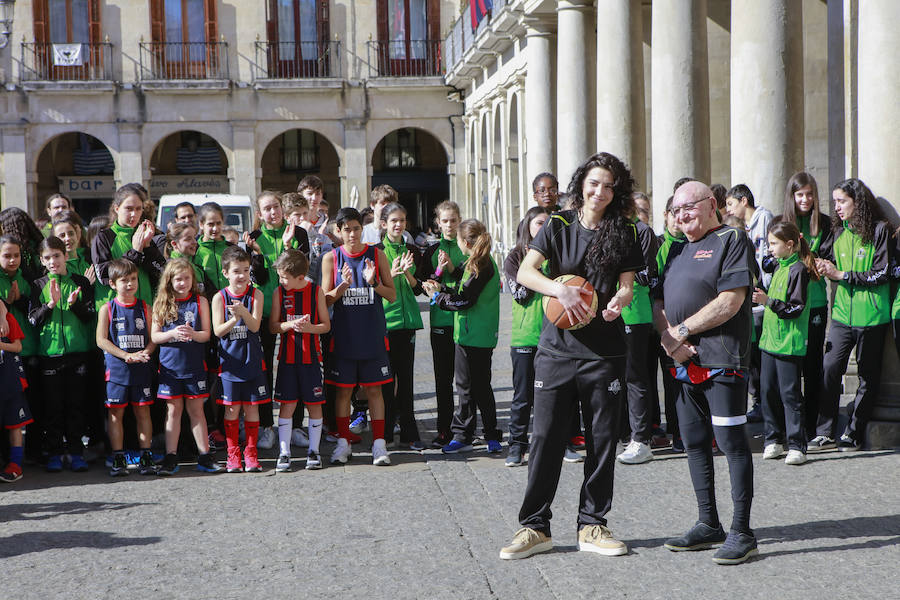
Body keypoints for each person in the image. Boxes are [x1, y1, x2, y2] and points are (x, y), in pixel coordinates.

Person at [499, 152, 643, 560]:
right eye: (594, 182)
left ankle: (592, 525)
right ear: (581, 183)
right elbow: (526, 272)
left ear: (617, 191)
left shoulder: (624, 230)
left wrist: (619, 299)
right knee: (544, 438)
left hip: (604, 351)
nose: (600, 191)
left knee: (602, 440)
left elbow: (628, 286)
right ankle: (534, 527)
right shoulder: (558, 224)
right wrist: (558, 290)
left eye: (609, 185)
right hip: (555, 351)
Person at [656, 181, 758, 565]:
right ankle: (708, 523)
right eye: (676, 210)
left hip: (723, 359)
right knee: (695, 442)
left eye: (689, 207)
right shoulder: (676, 248)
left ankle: (742, 531)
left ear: (711, 204)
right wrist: (670, 340)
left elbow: (730, 301)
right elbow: (659, 300)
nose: (682, 216)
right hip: (683, 362)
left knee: (731, 445)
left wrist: (682, 331)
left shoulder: (732, 239)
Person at [812, 178, 890, 451]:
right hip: (842, 315)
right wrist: (823, 265)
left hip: (873, 317)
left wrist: (843, 274)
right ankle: (824, 431)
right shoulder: (837, 231)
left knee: (868, 377)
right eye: (835, 202)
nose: (837, 207)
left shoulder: (880, 230)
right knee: (830, 369)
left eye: (842, 201)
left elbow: (882, 273)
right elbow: (826, 259)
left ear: (858, 202)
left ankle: (853, 431)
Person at [321, 207, 396, 466]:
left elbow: (392, 294)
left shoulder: (376, 255)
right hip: (343, 337)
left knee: (374, 390)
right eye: (347, 230)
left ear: (361, 229)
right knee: (342, 393)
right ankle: (343, 442)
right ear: (338, 232)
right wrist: (342, 286)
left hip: (372, 335)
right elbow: (324, 300)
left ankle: (379, 444)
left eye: (356, 228)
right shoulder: (331, 258)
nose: (352, 234)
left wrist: (373, 282)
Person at [423, 218, 502, 455]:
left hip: (477, 335)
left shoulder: (483, 265)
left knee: (479, 388)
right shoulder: (474, 263)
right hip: (468, 335)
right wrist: (440, 288)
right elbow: (460, 291)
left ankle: (489, 434)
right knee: (467, 387)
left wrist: (437, 298)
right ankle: (465, 434)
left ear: (465, 242)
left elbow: (464, 300)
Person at [244, 190, 311, 449]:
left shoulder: (299, 233)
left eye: (276, 207)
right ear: (260, 215)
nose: (273, 212)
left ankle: (295, 425)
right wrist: (258, 253)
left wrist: (287, 246)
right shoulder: (255, 238)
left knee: (297, 365)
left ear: (282, 208)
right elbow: (258, 279)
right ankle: (266, 426)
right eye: (267, 209)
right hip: (264, 313)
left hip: (295, 309)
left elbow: (300, 269)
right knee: (264, 370)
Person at [751, 222, 817, 466]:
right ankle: (773, 440)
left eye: (774, 244)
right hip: (770, 341)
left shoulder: (798, 270)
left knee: (790, 395)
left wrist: (768, 301)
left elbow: (795, 308)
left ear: (790, 245)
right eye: (769, 243)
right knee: (768, 393)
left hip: (789, 342)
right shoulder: (780, 266)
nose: (770, 249)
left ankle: (797, 444)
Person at [29, 236, 96, 473]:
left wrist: (74, 305)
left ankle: (77, 452)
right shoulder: (38, 285)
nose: (53, 261)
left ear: (66, 255)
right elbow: (32, 320)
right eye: (47, 257)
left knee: (76, 405)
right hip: (50, 355)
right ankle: (55, 452)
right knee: (53, 407)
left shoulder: (80, 282)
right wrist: (50, 305)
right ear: (41, 260)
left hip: (78, 353)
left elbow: (90, 315)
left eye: (56, 256)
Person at [151, 258, 223, 475]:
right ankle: (170, 457)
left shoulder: (200, 302)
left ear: (193, 280)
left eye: (186, 278)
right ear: (169, 281)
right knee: (173, 411)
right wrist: (172, 333)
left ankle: (205, 455)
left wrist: (193, 334)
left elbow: (207, 335)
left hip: (194, 367)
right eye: (178, 279)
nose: (182, 283)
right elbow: (154, 336)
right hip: (170, 368)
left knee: (197, 411)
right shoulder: (161, 303)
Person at [779, 172, 832, 436]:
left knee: (812, 366)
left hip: (816, 303)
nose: (805, 199)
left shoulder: (824, 223)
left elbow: (827, 262)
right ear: (792, 196)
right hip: (787, 303)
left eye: (810, 194)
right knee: (790, 369)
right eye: (800, 194)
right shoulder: (782, 223)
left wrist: (810, 259)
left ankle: (811, 427)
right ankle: (790, 427)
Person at [270, 249, 330, 471]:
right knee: (287, 405)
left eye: (285, 277)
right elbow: (273, 326)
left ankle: (313, 451)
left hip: (311, 358)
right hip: (287, 358)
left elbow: (326, 325)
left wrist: (310, 328)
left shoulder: (316, 292)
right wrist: (288, 325)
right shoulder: (279, 293)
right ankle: (284, 452)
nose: (281, 280)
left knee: (314, 405)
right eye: (280, 276)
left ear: (300, 277)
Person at [212, 246, 270, 473]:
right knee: (232, 410)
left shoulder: (256, 294)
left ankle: (251, 452)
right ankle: (233, 453)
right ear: (226, 272)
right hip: (230, 365)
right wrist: (234, 319)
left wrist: (243, 312)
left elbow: (255, 326)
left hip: (252, 361)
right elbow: (218, 331)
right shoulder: (220, 297)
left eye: (246, 270)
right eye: (237, 271)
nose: (242, 275)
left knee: (252, 408)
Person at [96, 258, 156, 477]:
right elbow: (101, 340)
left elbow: (153, 339)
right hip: (117, 370)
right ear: (113, 284)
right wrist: (125, 356)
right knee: (116, 414)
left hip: (140, 368)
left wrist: (144, 353)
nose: (130, 284)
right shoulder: (107, 308)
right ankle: (118, 456)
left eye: (133, 279)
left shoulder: (145, 307)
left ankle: (146, 454)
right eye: (124, 280)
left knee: (143, 411)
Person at [503, 206, 552, 467]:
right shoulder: (514, 257)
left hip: (553, 337)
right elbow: (521, 294)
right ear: (527, 226)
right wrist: (538, 266)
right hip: (525, 337)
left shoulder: (558, 253)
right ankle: (517, 446)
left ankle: (558, 444)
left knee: (553, 397)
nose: (543, 228)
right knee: (522, 397)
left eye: (547, 223)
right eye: (538, 223)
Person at [376, 202, 425, 449]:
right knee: (386, 383)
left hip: (408, 326)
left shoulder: (413, 250)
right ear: (384, 224)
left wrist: (406, 274)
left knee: (405, 382)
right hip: (385, 324)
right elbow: (373, 290)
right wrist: (392, 274)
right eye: (394, 220)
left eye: (402, 220)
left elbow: (417, 290)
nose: (399, 224)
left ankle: (409, 433)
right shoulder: (376, 252)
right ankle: (384, 435)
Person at [724, 183, 772, 423]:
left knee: (759, 360)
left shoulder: (762, 220)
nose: (729, 209)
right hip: (752, 303)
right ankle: (758, 403)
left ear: (744, 201)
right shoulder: (745, 229)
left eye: (731, 204)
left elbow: (764, 260)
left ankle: (763, 404)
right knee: (752, 360)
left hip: (761, 299)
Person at [420, 201, 467, 447]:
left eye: (454, 220)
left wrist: (451, 268)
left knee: (466, 382)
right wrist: (438, 272)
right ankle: (444, 430)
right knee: (443, 380)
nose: (449, 225)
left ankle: (465, 429)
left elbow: (471, 284)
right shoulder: (431, 251)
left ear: (460, 220)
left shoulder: (467, 248)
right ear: (438, 223)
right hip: (441, 322)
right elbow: (425, 286)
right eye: (445, 221)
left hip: (465, 322)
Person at [617, 200, 660, 464]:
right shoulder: (612, 230)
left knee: (635, 377)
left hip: (635, 312)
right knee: (617, 376)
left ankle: (641, 438)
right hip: (612, 312)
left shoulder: (641, 231)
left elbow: (645, 274)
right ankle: (623, 433)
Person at [92, 183, 167, 308]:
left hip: (146, 308)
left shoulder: (145, 235)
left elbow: (162, 273)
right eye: (129, 209)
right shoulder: (104, 237)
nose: (134, 214)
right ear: (117, 208)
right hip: (118, 311)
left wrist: (148, 247)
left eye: (138, 209)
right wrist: (135, 253)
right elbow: (103, 274)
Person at [0, 235, 40, 460]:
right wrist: (5, 305)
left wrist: (21, 300)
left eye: (16, 255)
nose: (12, 260)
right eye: (6, 256)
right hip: (4, 355)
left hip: (28, 348)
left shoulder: (28, 279)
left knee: (29, 405)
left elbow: (35, 309)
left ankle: (32, 453)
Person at [654, 198, 687, 451]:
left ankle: (692, 431)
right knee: (672, 380)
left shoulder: (694, 243)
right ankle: (677, 432)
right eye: (674, 213)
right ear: (666, 215)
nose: (678, 218)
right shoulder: (659, 245)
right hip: (664, 323)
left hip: (691, 323)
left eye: (683, 212)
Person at [0, 300, 33, 482]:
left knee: (15, 424)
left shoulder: (7, 318)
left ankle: (16, 465)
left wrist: (1, 346)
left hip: (10, 379)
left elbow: (18, 346)